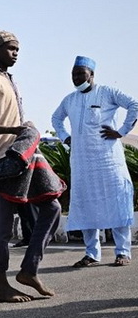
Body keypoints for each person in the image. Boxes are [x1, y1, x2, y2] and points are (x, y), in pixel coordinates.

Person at [0, 29, 61, 303]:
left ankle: (29, 270)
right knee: (2, 226)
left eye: (17, 48)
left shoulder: (12, 81)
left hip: (24, 158)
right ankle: (1, 285)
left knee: (53, 207)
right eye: (11, 48)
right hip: (1, 161)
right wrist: (15, 129)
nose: (16, 52)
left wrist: (26, 132)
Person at [51, 55, 138, 268]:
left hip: (108, 160)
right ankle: (91, 253)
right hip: (82, 163)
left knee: (116, 201)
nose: (76, 78)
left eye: (80, 73)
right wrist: (65, 137)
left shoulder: (108, 93)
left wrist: (121, 131)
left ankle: (123, 252)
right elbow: (56, 118)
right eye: (73, 74)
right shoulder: (69, 100)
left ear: (92, 75)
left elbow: (134, 105)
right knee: (85, 206)